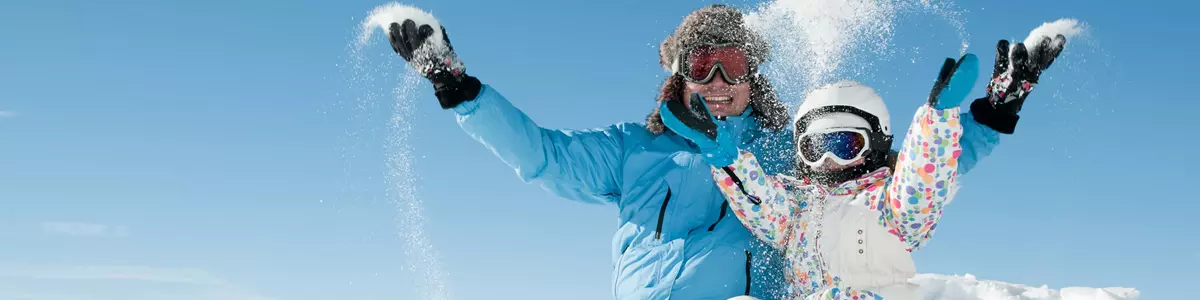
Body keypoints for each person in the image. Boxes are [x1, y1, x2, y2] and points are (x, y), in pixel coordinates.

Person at [382, 4, 1010, 299]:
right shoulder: (635, 148)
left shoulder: (786, 150)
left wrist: (985, 117)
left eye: (731, 63)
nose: (717, 80)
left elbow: (891, 182)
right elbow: (543, 156)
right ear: (679, 75)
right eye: (701, 64)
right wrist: (460, 90)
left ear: (752, 74)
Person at [657, 35, 1067, 300]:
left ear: (876, 146)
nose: (829, 161)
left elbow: (924, 178)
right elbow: (764, 203)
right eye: (815, 148)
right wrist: (726, 158)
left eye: (845, 145)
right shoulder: (798, 207)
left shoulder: (888, 203)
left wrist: (939, 118)